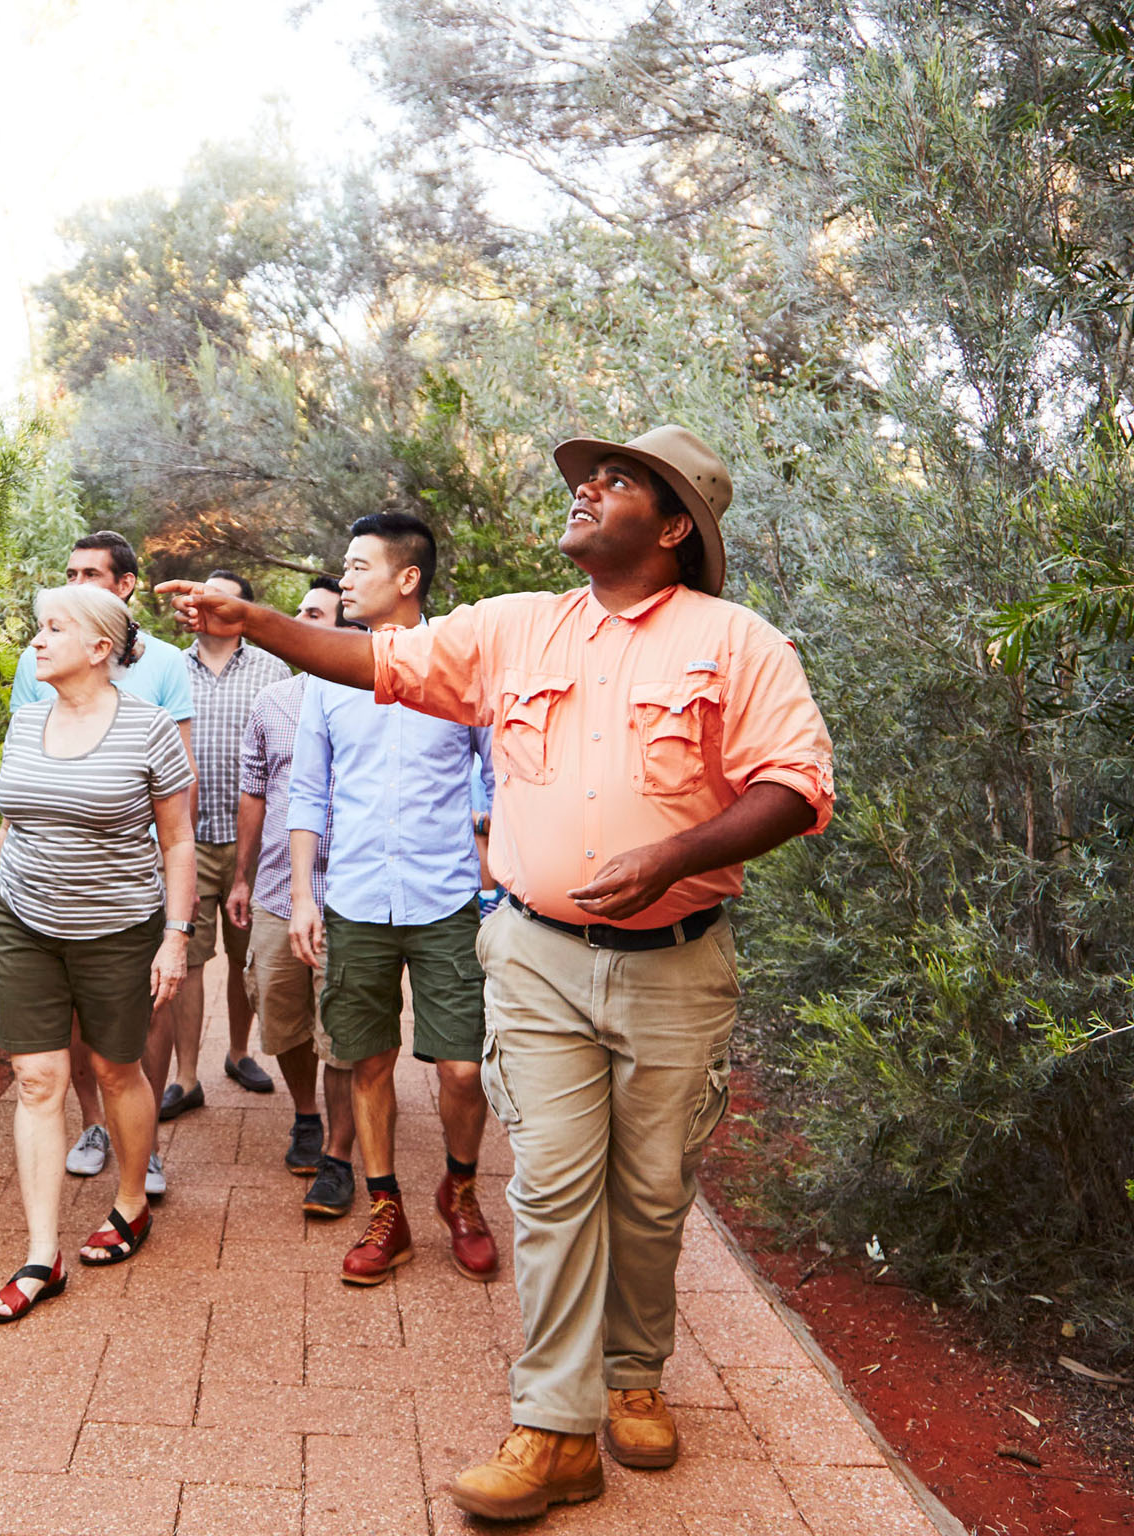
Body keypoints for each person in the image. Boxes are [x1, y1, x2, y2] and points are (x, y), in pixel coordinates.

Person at [160, 425, 834, 1521]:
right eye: (586, 479)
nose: (585, 492)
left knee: (649, 1192)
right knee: (554, 1189)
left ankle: (633, 1374)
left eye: (615, 485)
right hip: (534, 955)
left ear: (670, 529)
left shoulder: (736, 641)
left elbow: (796, 788)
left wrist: (672, 852)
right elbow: (377, 663)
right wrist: (261, 625)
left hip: (674, 964)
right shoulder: (514, 628)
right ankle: (552, 1428)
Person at [0, 583, 197, 1322]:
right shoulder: (25, 722)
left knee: (115, 1068)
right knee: (37, 1081)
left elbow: (179, 841)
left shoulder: (150, 727)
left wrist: (175, 936)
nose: (37, 641)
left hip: (118, 928)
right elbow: (11, 830)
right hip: (26, 920)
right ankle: (42, 1256)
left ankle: (131, 1202)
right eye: (39, 628)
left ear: (100, 648)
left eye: (54, 628)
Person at [280, 514, 497, 1284]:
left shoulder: (462, 665)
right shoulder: (328, 679)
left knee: (463, 1071)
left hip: (445, 903)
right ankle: (387, 1211)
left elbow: (497, 773)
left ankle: (461, 1192)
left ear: (408, 577)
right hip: (357, 900)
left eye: (358, 566)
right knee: (367, 1062)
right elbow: (307, 792)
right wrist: (304, 895)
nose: (344, 579)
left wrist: (494, 864)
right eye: (343, 566)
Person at [10, 531, 195, 1193]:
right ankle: (93, 1123)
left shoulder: (166, 667)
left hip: (129, 883)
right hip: (43, 892)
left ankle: (140, 1146)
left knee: (138, 1024)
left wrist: (175, 918)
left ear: (124, 586)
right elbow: (20, 791)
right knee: (70, 1030)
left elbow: (178, 803)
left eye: (91, 573)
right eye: (69, 571)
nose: (78, 581)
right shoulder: (38, 669)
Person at [226, 578, 354, 1195]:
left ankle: (338, 1152)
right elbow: (254, 790)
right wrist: (242, 875)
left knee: (345, 1032)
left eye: (313, 615)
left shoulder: (376, 698)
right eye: (299, 612)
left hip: (352, 897)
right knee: (285, 1018)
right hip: (279, 888)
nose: (297, 623)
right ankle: (307, 1117)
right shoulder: (272, 702)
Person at [155, 569, 289, 1122]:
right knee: (185, 960)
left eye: (222, 598)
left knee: (243, 959)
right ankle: (186, 1078)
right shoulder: (166, 668)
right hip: (184, 840)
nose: (207, 605)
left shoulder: (272, 669)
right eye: (200, 596)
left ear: (244, 611)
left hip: (249, 845)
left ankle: (238, 1053)